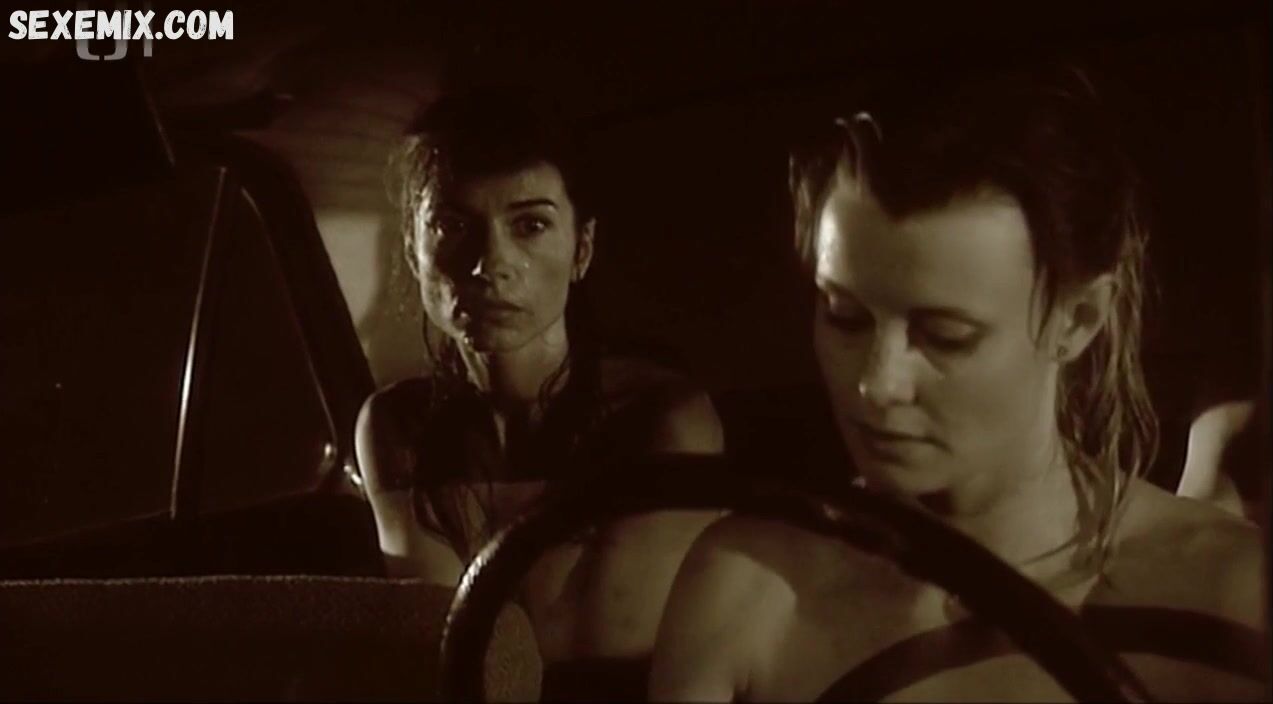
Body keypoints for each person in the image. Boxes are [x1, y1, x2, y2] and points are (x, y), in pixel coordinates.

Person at [649, 61, 1267, 702]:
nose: (877, 384)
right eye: (844, 316)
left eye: (945, 336)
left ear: (1078, 320)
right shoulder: (751, 591)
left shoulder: (1233, 595)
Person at [355, 87, 725, 699]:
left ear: (582, 249)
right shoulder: (398, 425)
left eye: (530, 225)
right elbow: (441, 651)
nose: (490, 264)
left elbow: (609, 653)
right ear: (413, 253)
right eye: (452, 225)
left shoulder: (661, 418)